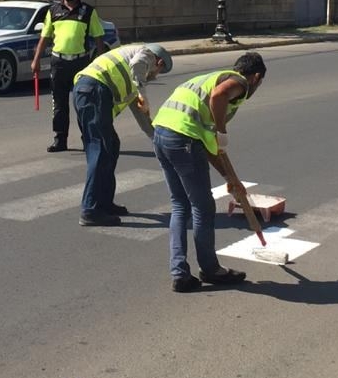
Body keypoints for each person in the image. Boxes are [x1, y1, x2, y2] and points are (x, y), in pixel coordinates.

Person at [151, 51, 267, 293]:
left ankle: (180, 273)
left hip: (162, 133)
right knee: (202, 207)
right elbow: (218, 97)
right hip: (183, 139)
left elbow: (209, 144)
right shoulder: (240, 83)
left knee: (180, 205)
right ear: (256, 77)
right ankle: (211, 269)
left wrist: (230, 179)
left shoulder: (210, 78)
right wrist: (222, 130)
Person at [72, 43, 173, 227]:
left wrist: (157, 141)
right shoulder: (146, 54)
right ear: (158, 62)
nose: (155, 76)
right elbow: (137, 65)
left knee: (111, 146)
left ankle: (104, 203)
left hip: (90, 92)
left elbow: (142, 116)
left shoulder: (133, 80)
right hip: (93, 90)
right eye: (158, 71)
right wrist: (144, 95)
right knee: (100, 150)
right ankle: (90, 210)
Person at [31, 0, 105, 152]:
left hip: (80, 63)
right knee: (59, 103)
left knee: (83, 103)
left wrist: (102, 63)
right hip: (59, 63)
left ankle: (88, 139)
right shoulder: (53, 11)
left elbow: (99, 38)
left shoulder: (88, 11)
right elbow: (44, 37)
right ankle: (60, 139)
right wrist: (36, 60)